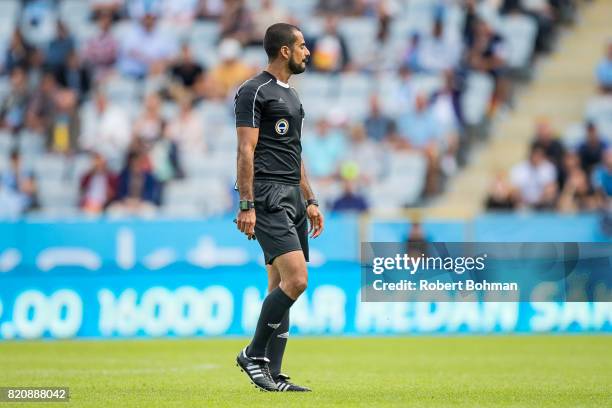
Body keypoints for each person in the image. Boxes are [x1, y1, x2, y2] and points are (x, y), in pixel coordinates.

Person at [233, 23, 322, 392]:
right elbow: (245, 150)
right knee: (297, 280)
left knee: (279, 283)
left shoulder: (293, 97)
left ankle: (272, 372)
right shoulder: (254, 92)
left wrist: (311, 199)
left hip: (294, 198)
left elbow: (295, 153)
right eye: (302, 45)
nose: (307, 52)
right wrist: (246, 204)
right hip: (268, 196)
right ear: (284, 51)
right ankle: (253, 354)